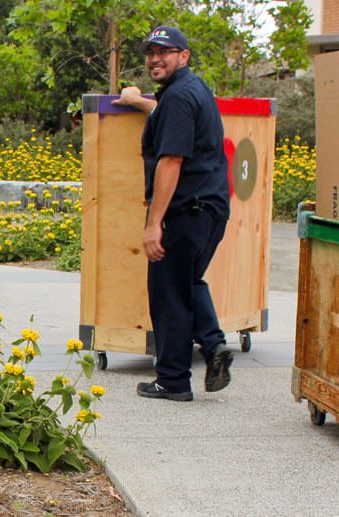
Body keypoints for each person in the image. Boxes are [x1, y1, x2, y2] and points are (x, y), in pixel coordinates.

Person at [111, 26, 233, 402]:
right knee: (187, 282)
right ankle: (212, 345)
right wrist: (138, 100)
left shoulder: (178, 97)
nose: (154, 59)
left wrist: (153, 225)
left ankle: (174, 379)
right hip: (211, 209)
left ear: (184, 55)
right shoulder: (192, 90)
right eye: (150, 52)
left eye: (164, 52)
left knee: (169, 293)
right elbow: (166, 113)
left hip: (187, 210)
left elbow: (171, 161)